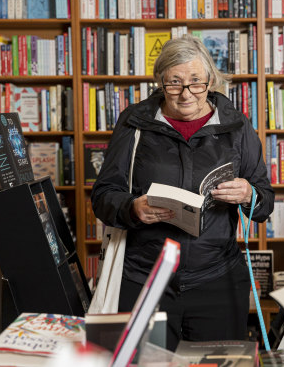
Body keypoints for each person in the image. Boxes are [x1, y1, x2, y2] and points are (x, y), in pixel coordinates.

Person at [91, 35, 274, 351]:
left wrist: (247, 194)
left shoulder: (238, 127)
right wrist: (133, 208)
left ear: (211, 81)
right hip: (144, 279)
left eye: (195, 83)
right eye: (174, 83)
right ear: (160, 83)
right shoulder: (134, 124)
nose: (186, 93)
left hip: (217, 280)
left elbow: (264, 203)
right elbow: (104, 195)